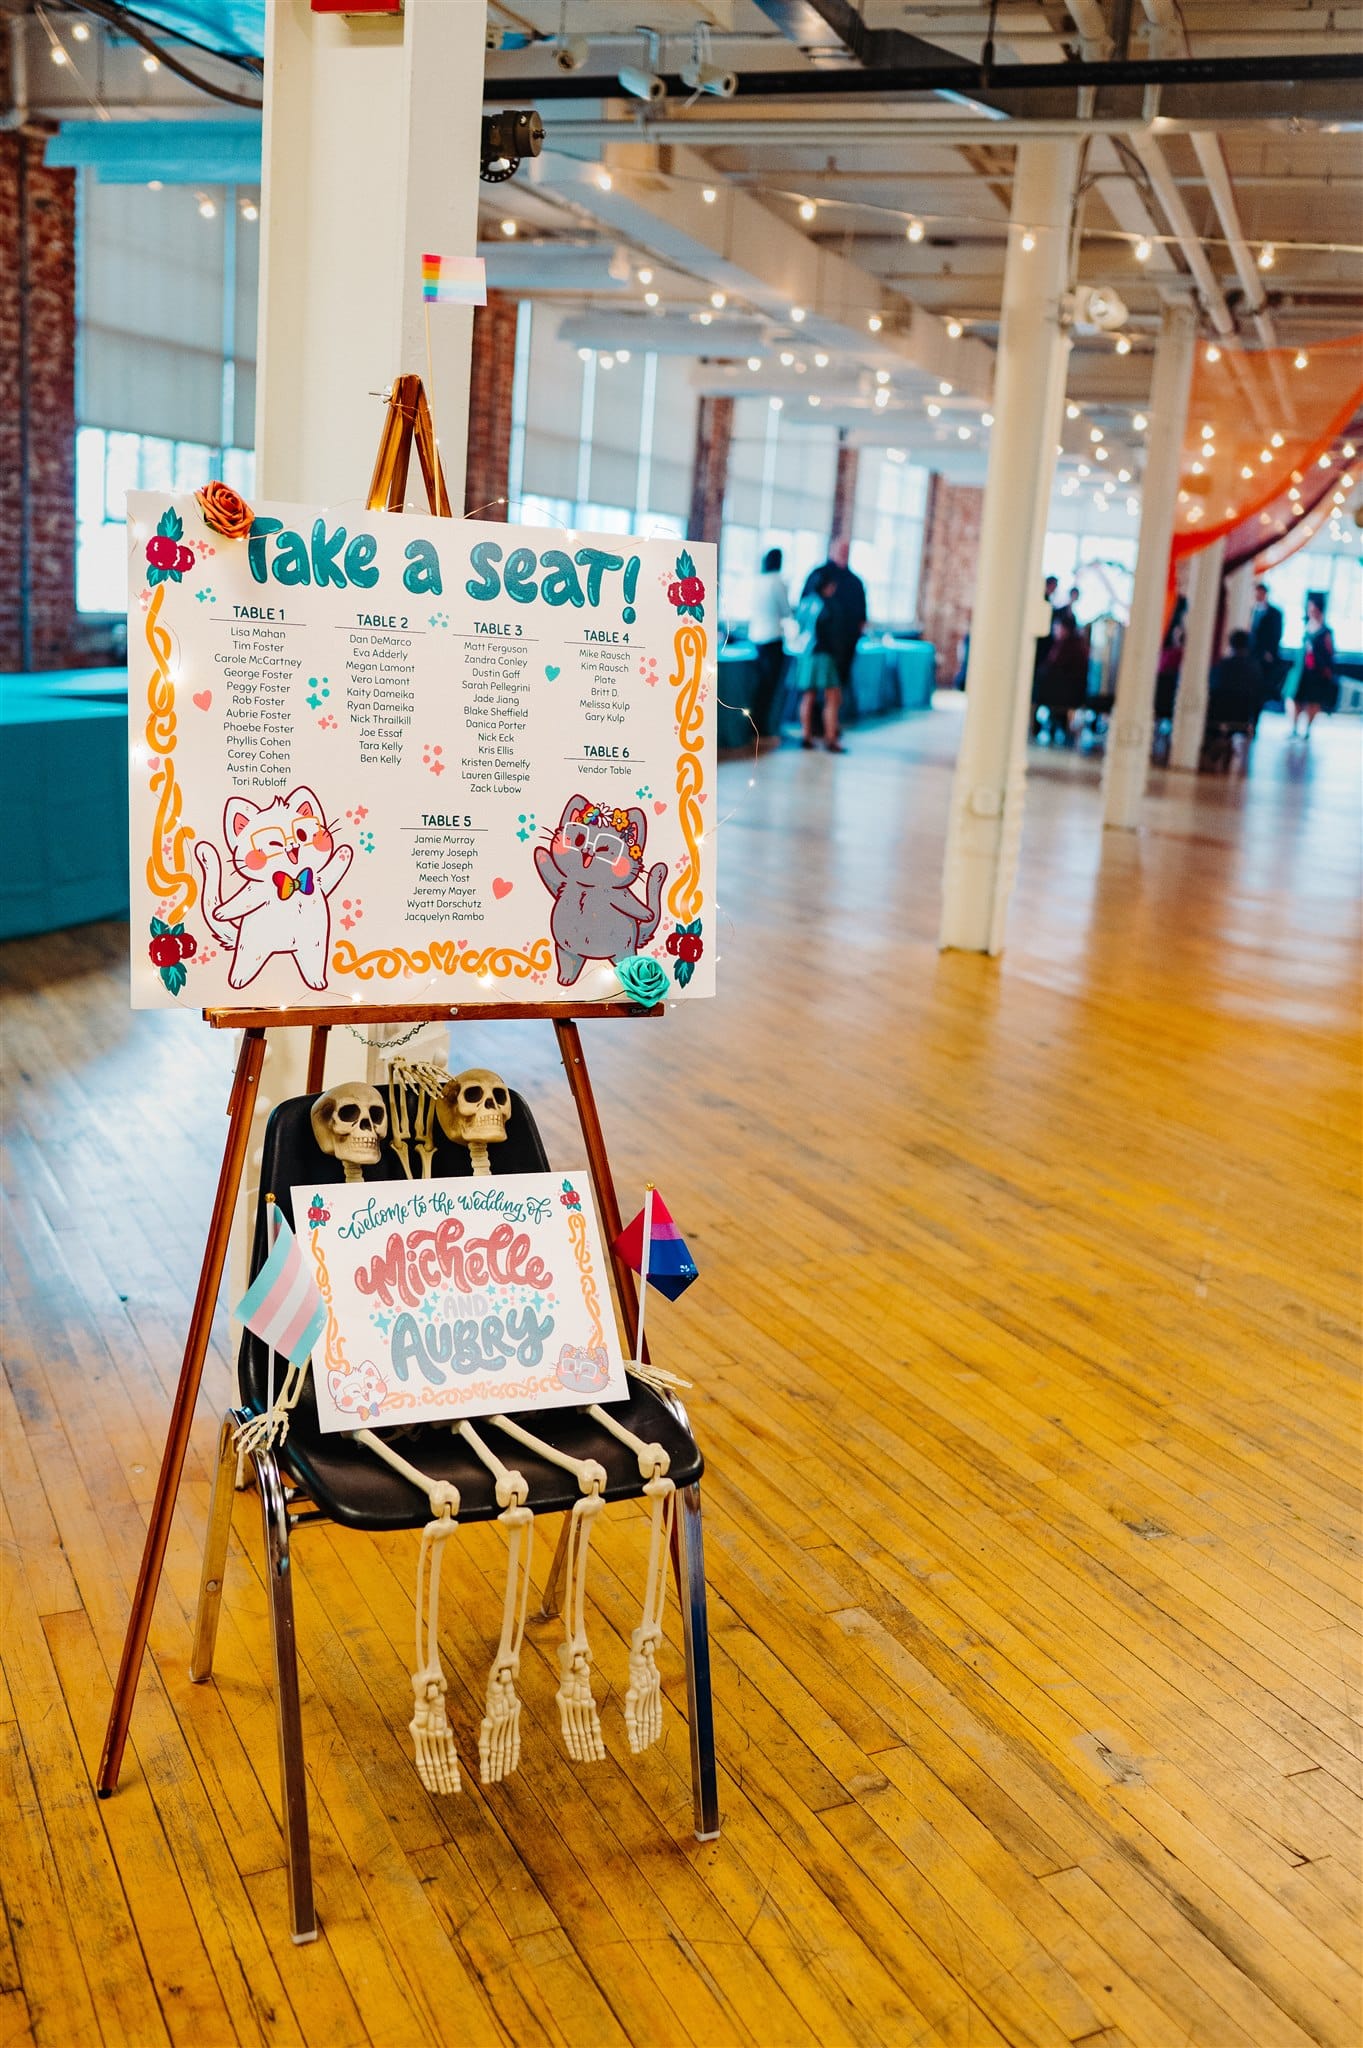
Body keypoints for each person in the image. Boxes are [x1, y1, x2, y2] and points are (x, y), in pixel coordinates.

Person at [801, 537, 867, 724]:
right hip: (818, 649)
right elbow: (804, 612)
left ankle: (830, 728)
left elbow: (862, 615)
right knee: (812, 692)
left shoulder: (854, 581)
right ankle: (811, 728)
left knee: (835, 692)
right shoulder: (818, 575)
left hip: (843, 648)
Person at [795, 569, 846, 752]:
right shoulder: (828, 605)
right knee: (832, 697)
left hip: (806, 654)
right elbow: (832, 634)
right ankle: (831, 738)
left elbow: (799, 628)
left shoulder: (805, 604)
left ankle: (805, 735)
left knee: (808, 696)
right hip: (824, 655)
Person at [1202, 628, 1262, 769]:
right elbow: (1257, 697)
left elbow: (1211, 688)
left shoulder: (1222, 666)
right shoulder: (1254, 669)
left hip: (1217, 713)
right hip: (1242, 716)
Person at [748, 546, 791, 738]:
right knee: (769, 688)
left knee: (759, 686)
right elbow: (786, 611)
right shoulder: (777, 581)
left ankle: (755, 726)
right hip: (772, 637)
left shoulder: (757, 581)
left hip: (756, 637)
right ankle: (762, 728)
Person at [1032, 607, 1090, 744]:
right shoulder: (1077, 644)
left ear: (1065, 629)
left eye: (1057, 627)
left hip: (1063, 692)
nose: (1054, 629)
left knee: (1037, 688)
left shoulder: (1066, 646)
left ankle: (1037, 728)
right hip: (1071, 691)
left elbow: (1052, 667)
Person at [1289, 592, 1339, 737]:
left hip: (1316, 671)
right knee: (1295, 698)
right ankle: (1294, 728)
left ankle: (1307, 729)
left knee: (1313, 700)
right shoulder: (1306, 625)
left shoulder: (1326, 631)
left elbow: (1329, 653)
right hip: (1302, 670)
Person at [1249, 578, 1284, 706]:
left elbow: (1276, 634)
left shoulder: (1275, 613)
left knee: (1261, 689)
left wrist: (1268, 652)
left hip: (1265, 657)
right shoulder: (1252, 610)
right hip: (1252, 654)